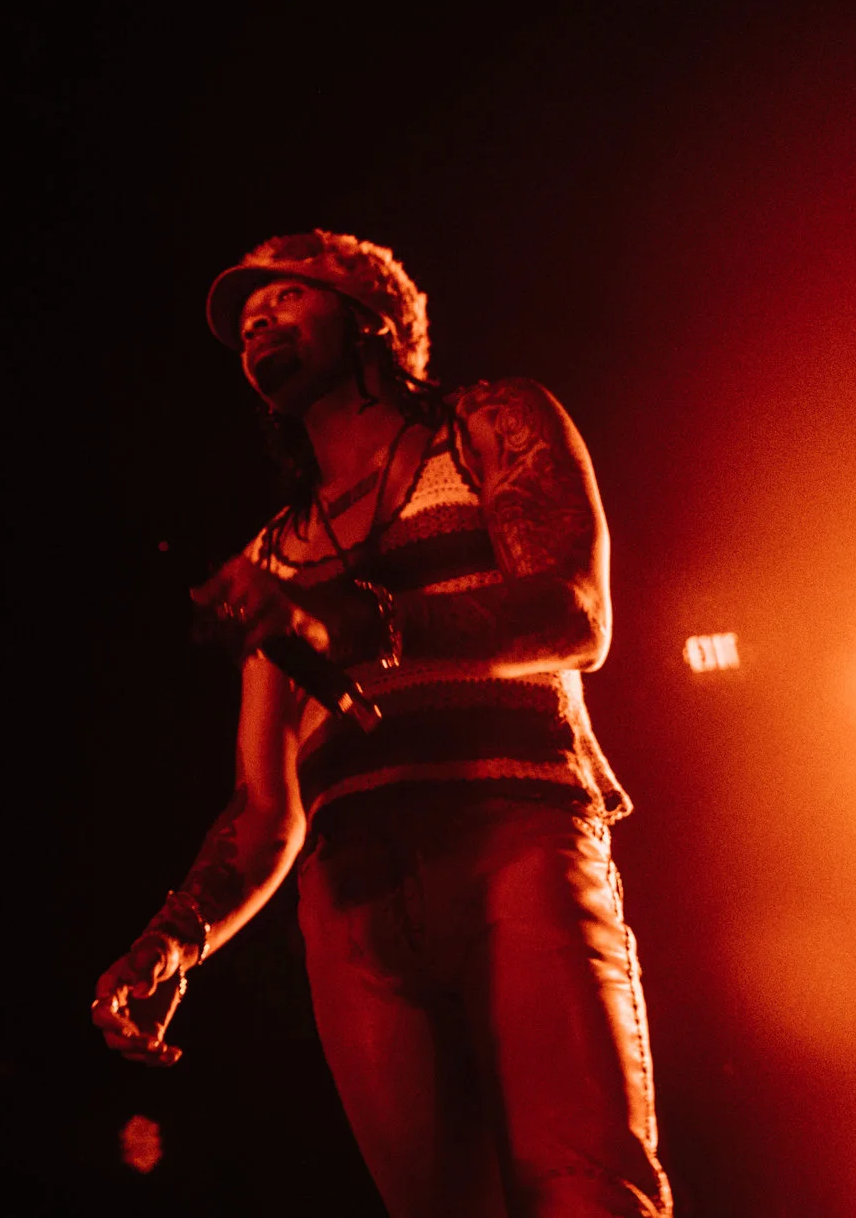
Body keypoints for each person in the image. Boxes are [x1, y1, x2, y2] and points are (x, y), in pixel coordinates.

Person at [90, 231, 670, 1218]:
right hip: (351, 900)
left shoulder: (485, 424)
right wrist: (174, 936)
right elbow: (264, 809)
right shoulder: (274, 556)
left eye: (286, 296)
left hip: (514, 835)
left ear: (374, 317)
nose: (257, 320)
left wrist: (367, 621)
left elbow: (576, 615)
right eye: (246, 318)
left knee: (586, 1190)